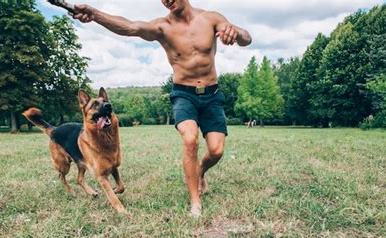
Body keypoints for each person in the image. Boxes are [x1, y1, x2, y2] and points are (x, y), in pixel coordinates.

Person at [71, 0, 252, 217]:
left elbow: (246, 39)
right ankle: (195, 202)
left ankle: (200, 171)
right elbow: (130, 27)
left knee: (216, 150)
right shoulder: (162, 27)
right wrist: (94, 14)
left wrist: (236, 32)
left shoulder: (211, 18)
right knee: (190, 140)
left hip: (212, 95)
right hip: (183, 94)